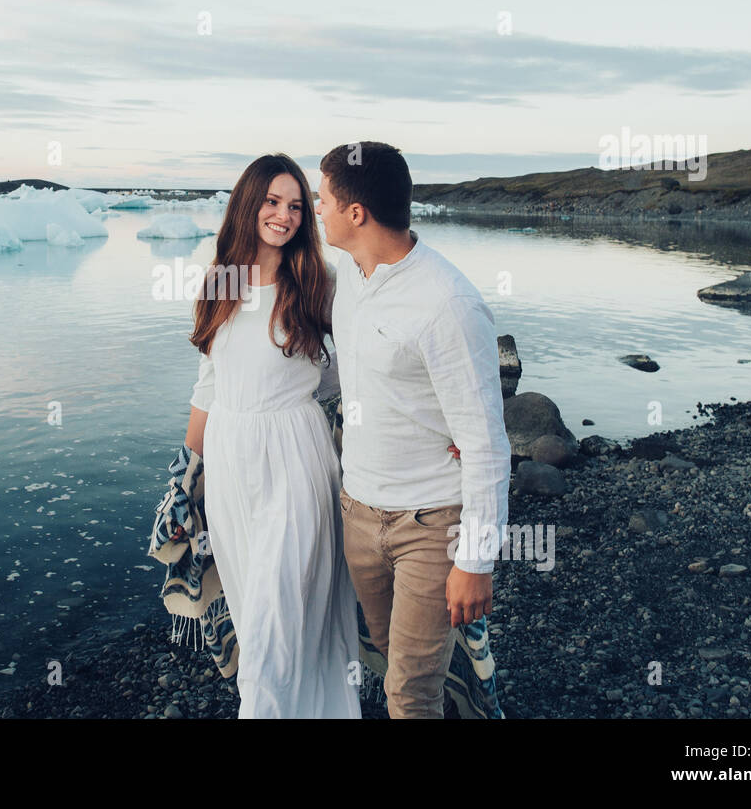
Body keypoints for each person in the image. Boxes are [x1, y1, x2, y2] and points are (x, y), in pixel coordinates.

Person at [315, 141, 511, 719]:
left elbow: (485, 441)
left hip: (431, 525)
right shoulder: (350, 277)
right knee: (390, 657)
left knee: (408, 693)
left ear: (356, 213)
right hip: (359, 513)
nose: (316, 209)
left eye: (322, 199)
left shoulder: (446, 302)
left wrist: (476, 561)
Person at [183, 153, 361, 719]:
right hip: (232, 469)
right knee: (255, 614)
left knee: (274, 623)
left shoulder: (316, 281)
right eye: (271, 201)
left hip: (295, 459)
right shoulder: (220, 280)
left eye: (295, 205)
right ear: (248, 203)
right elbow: (210, 384)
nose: (283, 216)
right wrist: (183, 478)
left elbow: (367, 363)